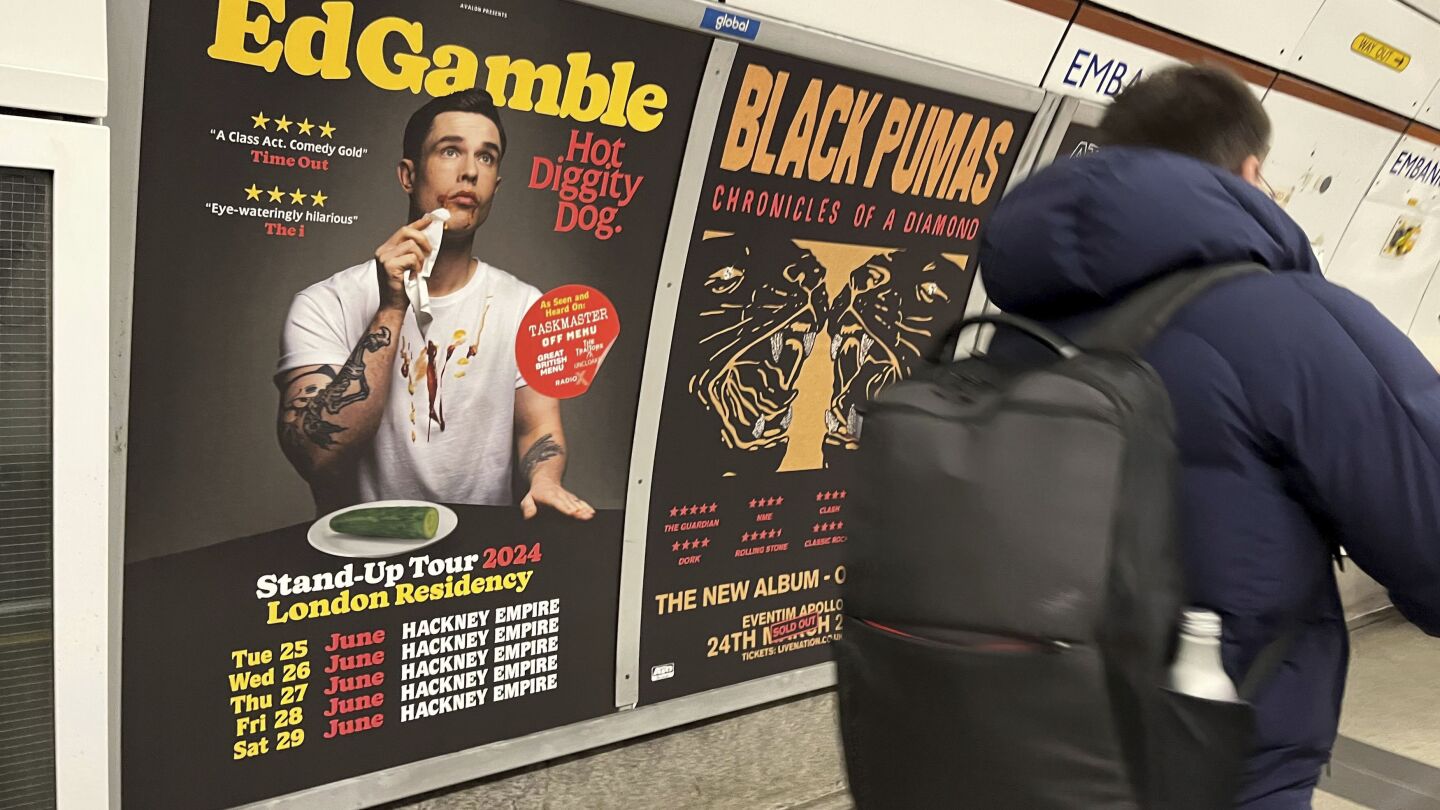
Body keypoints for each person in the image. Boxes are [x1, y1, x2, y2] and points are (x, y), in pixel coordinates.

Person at [978, 64, 1440, 808]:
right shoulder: (1294, 319)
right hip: (1209, 749)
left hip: (1014, 721)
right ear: (1251, 173)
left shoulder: (1017, 323)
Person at [275, 90, 594, 521]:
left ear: (496, 185)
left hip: (480, 550)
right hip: (359, 549)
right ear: (408, 175)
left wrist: (545, 479)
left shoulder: (524, 306)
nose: (470, 172)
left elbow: (538, 428)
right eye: (450, 151)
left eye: (486, 157)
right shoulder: (325, 304)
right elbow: (316, 454)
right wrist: (392, 307)